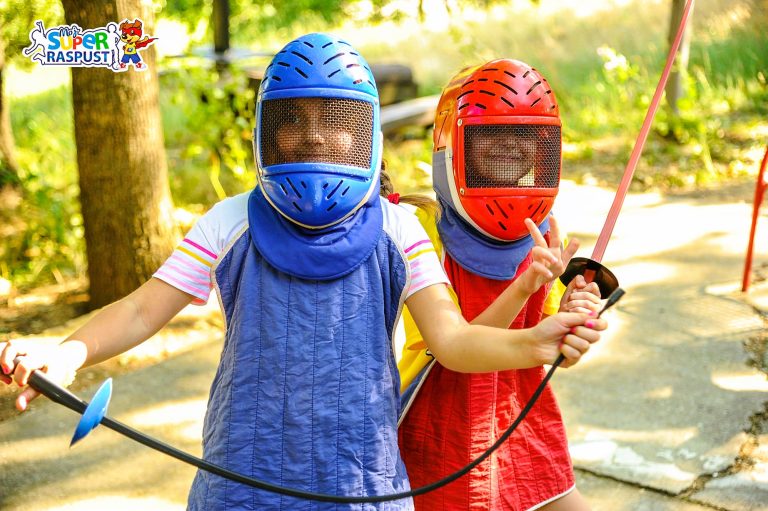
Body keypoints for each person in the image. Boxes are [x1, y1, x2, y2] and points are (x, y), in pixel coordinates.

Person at [0, 39, 606, 511]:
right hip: (243, 483)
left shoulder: (400, 230)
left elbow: (453, 341)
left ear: (365, 131)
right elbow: (140, 310)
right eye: (294, 118)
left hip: (363, 486)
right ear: (267, 129)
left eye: (334, 119)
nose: (314, 135)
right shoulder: (230, 221)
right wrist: (66, 353)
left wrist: (536, 341)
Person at [396, 59, 602, 511]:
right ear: (452, 147)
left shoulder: (545, 231)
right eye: (490, 133)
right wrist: (525, 285)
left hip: (519, 417)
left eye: (523, 135)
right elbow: (459, 348)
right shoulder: (422, 230)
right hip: (443, 428)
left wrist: (574, 319)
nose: (509, 144)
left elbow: (554, 352)